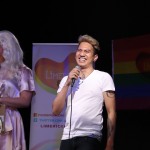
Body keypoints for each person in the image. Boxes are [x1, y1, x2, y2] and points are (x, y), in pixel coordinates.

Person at [52, 34, 116, 150]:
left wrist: (110, 143)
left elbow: (111, 112)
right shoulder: (67, 79)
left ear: (95, 57)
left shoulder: (103, 77)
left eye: (87, 51)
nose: (82, 54)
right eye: (79, 50)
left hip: (90, 137)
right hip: (67, 137)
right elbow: (56, 110)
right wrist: (67, 83)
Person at [0, 30, 35, 150]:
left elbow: (25, 101)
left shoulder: (23, 71)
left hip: (10, 118)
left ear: (7, 48)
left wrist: (1, 100)